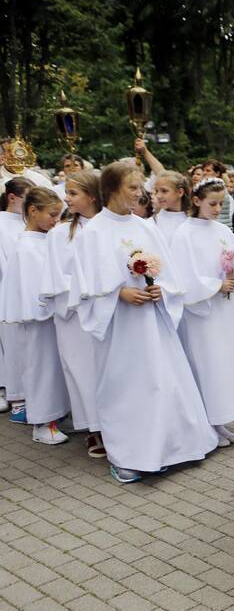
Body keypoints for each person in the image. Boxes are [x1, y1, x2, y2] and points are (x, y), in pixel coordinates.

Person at [71, 160, 218, 484]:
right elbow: (83, 285)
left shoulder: (144, 226)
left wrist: (160, 288)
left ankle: (174, 447)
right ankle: (129, 454)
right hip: (120, 326)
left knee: (163, 380)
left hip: (152, 320)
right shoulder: (93, 232)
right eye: (133, 188)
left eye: (141, 188)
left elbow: (169, 271)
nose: (141, 194)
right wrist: (119, 293)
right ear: (110, 190)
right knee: (127, 386)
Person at [172, 177, 234, 448]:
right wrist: (215, 285)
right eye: (212, 203)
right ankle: (210, 423)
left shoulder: (220, 229)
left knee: (225, 365)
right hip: (203, 314)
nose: (217, 208)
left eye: (221, 203)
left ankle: (222, 421)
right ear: (196, 201)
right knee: (207, 365)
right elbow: (183, 276)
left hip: (225, 310)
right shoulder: (184, 234)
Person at [40, 171, 106, 458]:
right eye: (67, 192)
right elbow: (55, 278)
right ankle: (94, 428)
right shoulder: (59, 234)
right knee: (83, 370)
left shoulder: (108, 227)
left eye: (73, 193)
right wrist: (83, 292)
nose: (66, 199)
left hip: (110, 310)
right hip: (75, 315)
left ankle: (118, 423)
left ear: (92, 196)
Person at [0, 187, 69, 444]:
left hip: (51, 317)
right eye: (52, 215)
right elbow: (31, 288)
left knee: (55, 369)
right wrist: (46, 309)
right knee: (41, 369)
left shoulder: (44, 240)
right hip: (38, 319)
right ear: (32, 211)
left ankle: (56, 414)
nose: (56, 221)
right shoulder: (27, 247)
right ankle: (42, 423)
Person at [0, 176, 33, 417]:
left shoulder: (27, 222)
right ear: (13, 197)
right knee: (10, 343)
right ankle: (14, 394)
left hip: (30, 291)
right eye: (27, 198)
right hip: (7, 290)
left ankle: (31, 392)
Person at [151, 170, 191, 246]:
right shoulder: (152, 222)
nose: (158, 196)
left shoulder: (192, 220)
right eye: (156, 191)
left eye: (164, 191)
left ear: (180, 192)